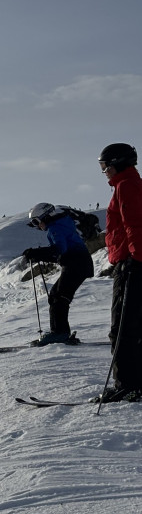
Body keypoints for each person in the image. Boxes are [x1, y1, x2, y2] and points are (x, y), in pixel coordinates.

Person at [93, 143, 142, 403]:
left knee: (122, 327)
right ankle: (135, 383)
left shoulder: (126, 186)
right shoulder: (130, 184)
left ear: (118, 163)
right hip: (130, 260)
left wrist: (135, 258)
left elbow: (135, 224)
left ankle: (128, 385)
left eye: (106, 167)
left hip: (131, 263)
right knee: (133, 324)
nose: (105, 173)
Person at [21, 202, 95, 345]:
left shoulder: (55, 227)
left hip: (76, 264)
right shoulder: (59, 224)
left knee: (59, 297)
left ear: (45, 217)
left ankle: (60, 333)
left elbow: (59, 249)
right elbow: (59, 253)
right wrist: (39, 255)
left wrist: (36, 253)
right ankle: (59, 332)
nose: (37, 226)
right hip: (77, 263)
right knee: (56, 295)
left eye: (36, 221)